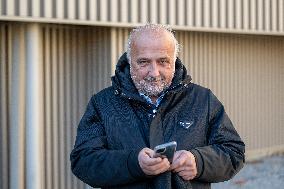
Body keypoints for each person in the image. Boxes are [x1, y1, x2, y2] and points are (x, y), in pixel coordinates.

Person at [70, 24, 245, 189]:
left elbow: (234, 152)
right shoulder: (103, 103)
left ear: (174, 62)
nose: (154, 73)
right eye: (143, 62)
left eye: (163, 61)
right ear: (130, 61)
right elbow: (83, 161)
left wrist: (199, 162)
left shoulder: (203, 100)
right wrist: (133, 163)